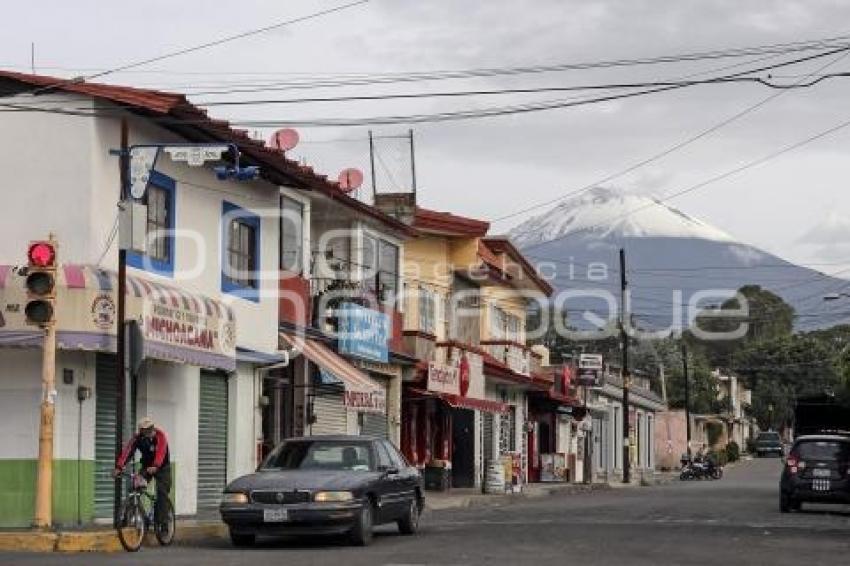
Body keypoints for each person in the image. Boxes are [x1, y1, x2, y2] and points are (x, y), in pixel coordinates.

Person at [114, 416, 172, 530]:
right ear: (141, 430)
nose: (149, 430)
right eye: (146, 429)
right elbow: (127, 451)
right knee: (135, 487)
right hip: (146, 467)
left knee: (162, 493)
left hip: (162, 467)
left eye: (150, 427)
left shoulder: (160, 435)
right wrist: (119, 467)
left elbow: (161, 451)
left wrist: (156, 465)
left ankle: (163, 524)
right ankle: (130, 517)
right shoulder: (137, 438)